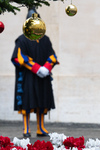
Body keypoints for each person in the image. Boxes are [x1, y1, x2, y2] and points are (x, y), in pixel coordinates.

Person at [11, 7, 59, 137]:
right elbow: (18, 57)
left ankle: (41, 127)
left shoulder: (45, 39)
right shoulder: (22, 39)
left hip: (43, 77)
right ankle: (26, 128)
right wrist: (37, 68)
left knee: (43, 102)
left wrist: (47, 68)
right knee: (27, 102)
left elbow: (52, 56)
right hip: (28, 77)